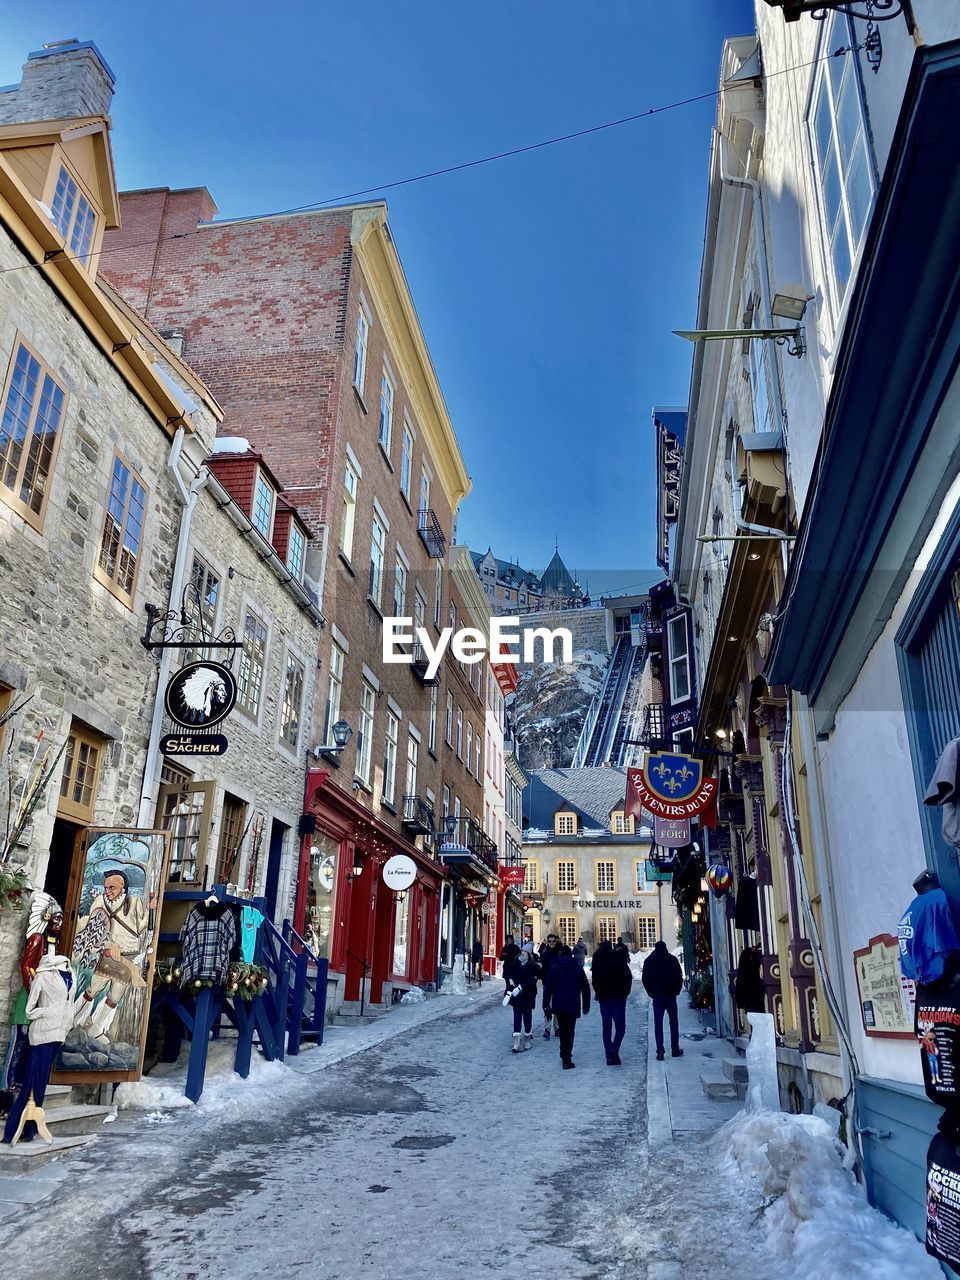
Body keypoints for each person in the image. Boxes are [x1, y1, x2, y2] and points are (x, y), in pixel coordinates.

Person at [543, 944, 591, 1069]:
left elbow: (548, 988)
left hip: (559, 1004)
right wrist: (586, 1005)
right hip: (573, 1004)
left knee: (563, 1030)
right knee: (570, 1031)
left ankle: (563, 1053)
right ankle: (566, 1056)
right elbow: (585, 988)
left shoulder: (555, 968)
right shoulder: (577, 968)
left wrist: (546, 1004)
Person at [591, 939, 632, 1065]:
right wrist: (625, 993)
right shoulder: (619, 959)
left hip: (604, 999)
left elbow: (595, 980)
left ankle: (609, 1055)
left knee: (607, 1027)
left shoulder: (598, 960)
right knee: (620, 1027)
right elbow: (628, 977)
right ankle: (614, 1049)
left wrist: (599, 992)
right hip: (619, 998)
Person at [642, 940, 684, 1061]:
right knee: (674, 1023)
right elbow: (679, 976)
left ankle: (660, 1050)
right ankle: (675, 1048)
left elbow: (645, 978)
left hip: (657, 996)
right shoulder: (672, 960)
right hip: (670, 995)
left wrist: (651, 992)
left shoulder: (650, 961)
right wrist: (676, 990)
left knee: (658, 1024)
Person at [504, 942, 541, 1053]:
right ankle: (516, 1042)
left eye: (526, 952)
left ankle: (527, 1039)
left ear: (529, 954)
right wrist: (509, 979)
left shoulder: (533, 966)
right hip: (516, 995)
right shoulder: (515, 962)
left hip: (528, 994)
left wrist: (521, 987)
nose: (523, 953)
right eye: (523, 951)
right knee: (517, 1017)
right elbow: (507, 972)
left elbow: (532, 980)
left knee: (527, 1017)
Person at [538, 934, 562, 1038]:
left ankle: (557, 1028)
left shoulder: (560, 953)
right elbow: (541, 968)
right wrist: (542, 977)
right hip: (547, 983)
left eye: (554, 941)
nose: (552, 943)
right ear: (547, 942)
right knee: (546, 1005)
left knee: (557, 1005)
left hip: (558, 983)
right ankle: (547, 1028)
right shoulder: (544, 953)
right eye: (550, 941)